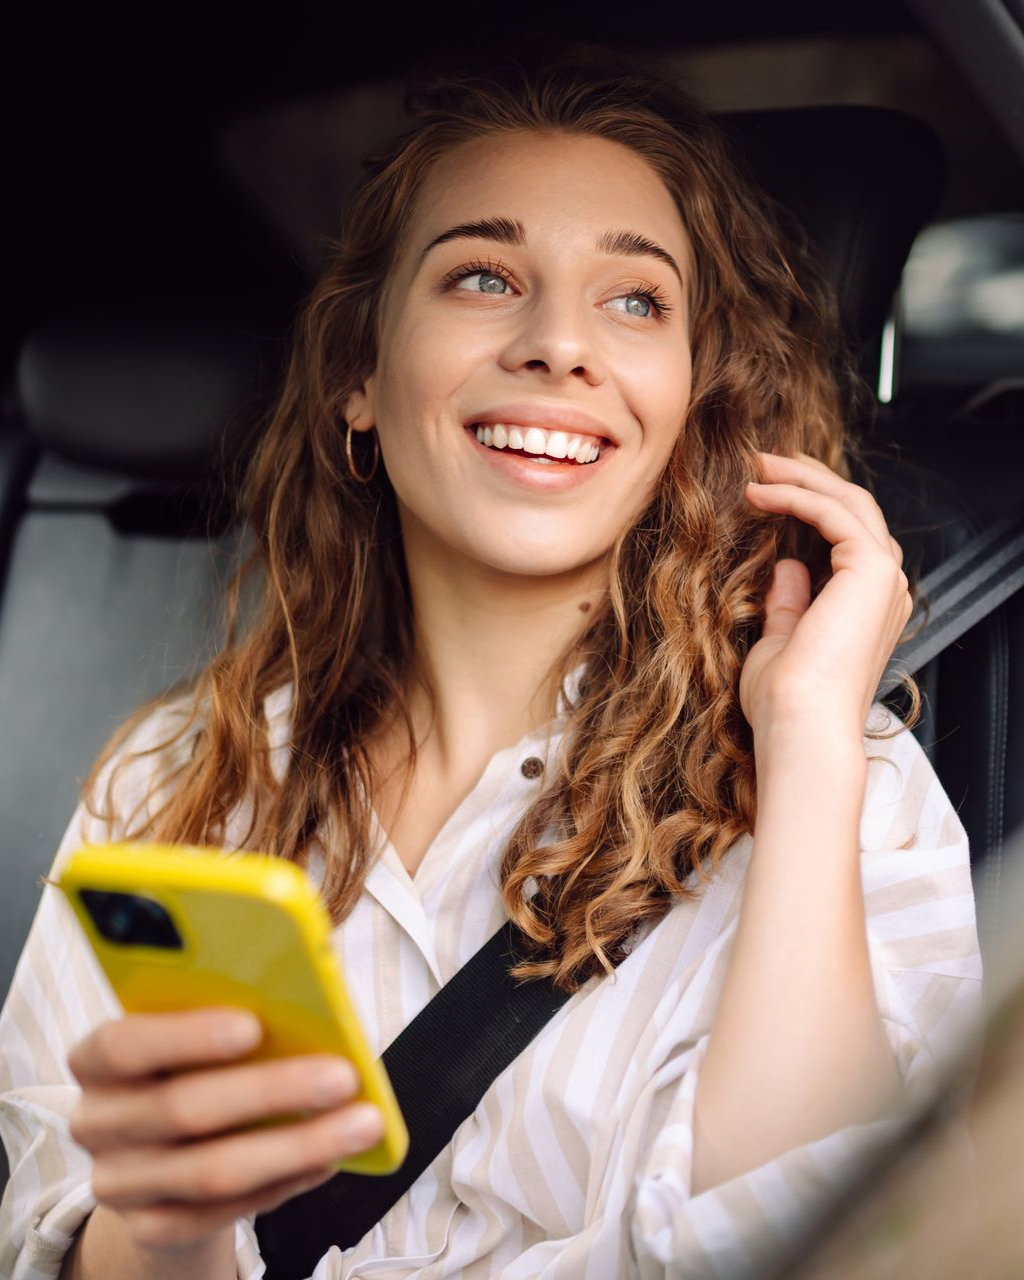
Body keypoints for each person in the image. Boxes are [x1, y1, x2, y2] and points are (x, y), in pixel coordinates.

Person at [0, 48, 983, 1280]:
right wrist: (173, 1218)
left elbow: (837, 1250)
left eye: (635, 301)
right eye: (482, 275)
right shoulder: (173, 785)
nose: (559, 344)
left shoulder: (846, 783)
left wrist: (805, 754)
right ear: (359, 375)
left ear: (692, 399)